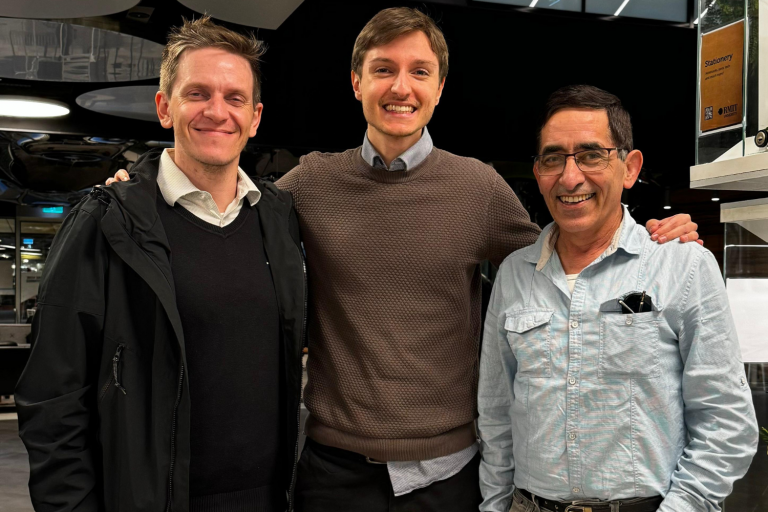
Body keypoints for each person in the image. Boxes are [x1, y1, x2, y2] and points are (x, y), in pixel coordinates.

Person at [107, 8, 699, 511]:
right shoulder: (311, 182)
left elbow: (565, 255)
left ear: (440, 88)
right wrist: (141, 187)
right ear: (356, 82)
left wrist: (646, 234)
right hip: (333, 472)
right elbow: (226, 207)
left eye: (420, 72)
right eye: (383, 69)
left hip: (452, 475)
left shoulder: (479, 188)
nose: (401, 87)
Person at [16, 17, 306, 512]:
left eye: (234, 98)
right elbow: (53, 401)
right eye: (198, 93)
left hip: (268, 499)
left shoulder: (278, 219)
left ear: (255, 118)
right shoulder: (107, 222)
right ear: (164, 108)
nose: (217, 112)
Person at [477, 85, 758, 512]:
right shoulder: (515, 274)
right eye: (553, 158)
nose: (570, 177)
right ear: (538, 172)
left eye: (591, 155)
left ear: (629, 168)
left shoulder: (681, 266)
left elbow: (727, 421)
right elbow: (497, 415)